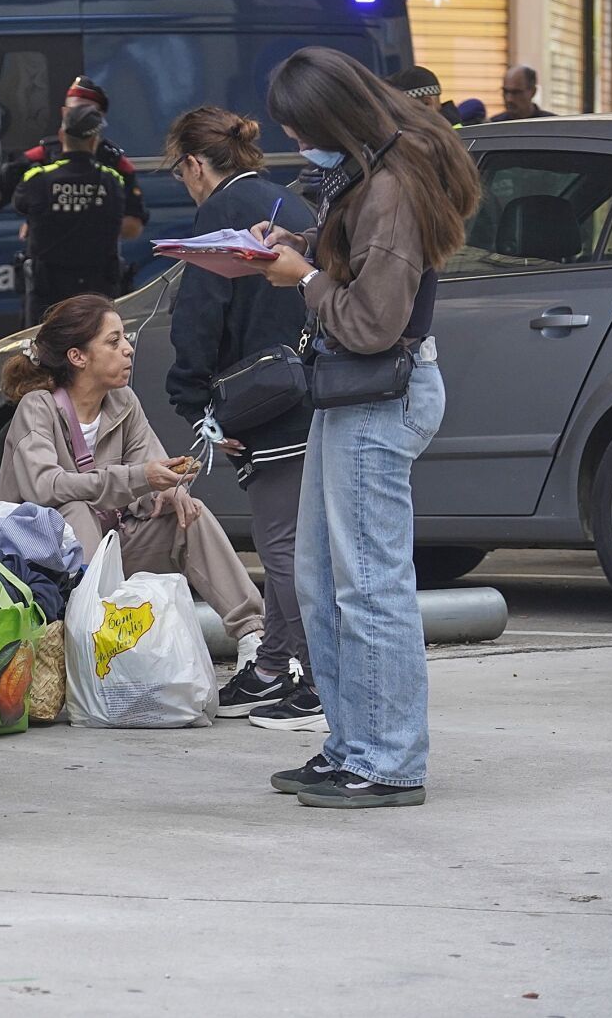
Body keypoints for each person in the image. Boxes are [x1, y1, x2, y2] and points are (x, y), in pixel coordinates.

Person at [253, 45, 480, 809]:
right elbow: (368, 278)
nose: (294, 145)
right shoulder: (377, 166)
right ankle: (351, 743)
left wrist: (306, 277)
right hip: (354, 397)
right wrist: (305, 250)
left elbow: (373, 321)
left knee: (370, 585)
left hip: (379, 392)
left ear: (335, 119)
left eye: (298, 129)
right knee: (323, 578)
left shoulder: (390, 185)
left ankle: (387, 760)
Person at [0, 295, 268, 685]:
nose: (128, 348)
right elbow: (45, 487)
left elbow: (149, 468)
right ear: (78, 356)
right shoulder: (38, 408)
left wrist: (169, 492)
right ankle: (95, 647)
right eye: (113, 341)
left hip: (108, 549)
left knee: (189, 515)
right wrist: (141, 479)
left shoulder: (123, 402)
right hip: (41, 564)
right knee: (72, 510)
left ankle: (253, 640)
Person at [161, 107, 323, 729]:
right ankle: (271, 664)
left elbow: (200, 314)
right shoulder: (295, 205)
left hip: (260, 396)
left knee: (282, 542)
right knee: (292, 534)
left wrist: (195, 399)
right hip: (312, 386)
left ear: (195, 165)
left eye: (181, 172)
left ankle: (315, 676)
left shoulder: (218, 214)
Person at [14, 101, 127, 324]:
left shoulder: (37, 178)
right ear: (94, 141)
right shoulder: (112, 181)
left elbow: (20, 204)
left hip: (48, 301)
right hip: (96, 300)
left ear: (61, 135)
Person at [2, 76, 148, 242]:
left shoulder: (115, 167)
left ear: (100, 119)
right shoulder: (40, 157)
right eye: (73, 112)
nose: (78, 119)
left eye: (86, 114)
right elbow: (0, 196)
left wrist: (79, 225)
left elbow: (133, 226)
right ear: (64, 113)